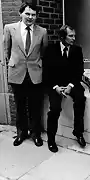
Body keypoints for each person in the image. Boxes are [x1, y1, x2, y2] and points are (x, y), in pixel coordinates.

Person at [3, 2, 48, 147]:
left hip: (35, 73)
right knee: (20, 105)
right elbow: (7, 51)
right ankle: (21, 133)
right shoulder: (9, 28)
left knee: (35, 106)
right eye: (27, 14)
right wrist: (14, 63)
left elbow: (43, 52)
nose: (30, 17)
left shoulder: (42, 31)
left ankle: (36, 134)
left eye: (33, 15)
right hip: (17, 72)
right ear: (20, 13)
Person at [43, 25, 86, 153]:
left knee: (80, 99)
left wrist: (70, 86)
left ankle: (78, 132)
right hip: (55, 84)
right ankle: (51, 139)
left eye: (74, 35)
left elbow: (79, 71)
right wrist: (56, 87)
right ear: (62, 37)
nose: (74, 38)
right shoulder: (51, 50)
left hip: (71, 84)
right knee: (55, 109)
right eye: (70, 36)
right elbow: (46, 72)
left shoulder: (77, 50)